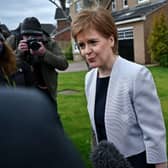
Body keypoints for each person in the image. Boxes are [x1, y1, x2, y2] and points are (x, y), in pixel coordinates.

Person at [71, 7, 167, 168]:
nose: (87, 51)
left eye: (93, 42)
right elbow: (96, 130)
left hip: (137, 162)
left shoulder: (137, 75)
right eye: (81, 45)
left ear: (111, 40)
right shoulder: (89, 78)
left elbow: (154, 133)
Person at [6, 17, 69, 103]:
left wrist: (44, 53)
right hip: (21, 91)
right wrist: (19, 53)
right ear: (22, 35)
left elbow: (64, 64)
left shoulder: (49, 43)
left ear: (40, 34)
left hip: (46, 91)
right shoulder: (14, 41)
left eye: (35, 36)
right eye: (27, 36)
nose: (31, 39)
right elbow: (4, 64)